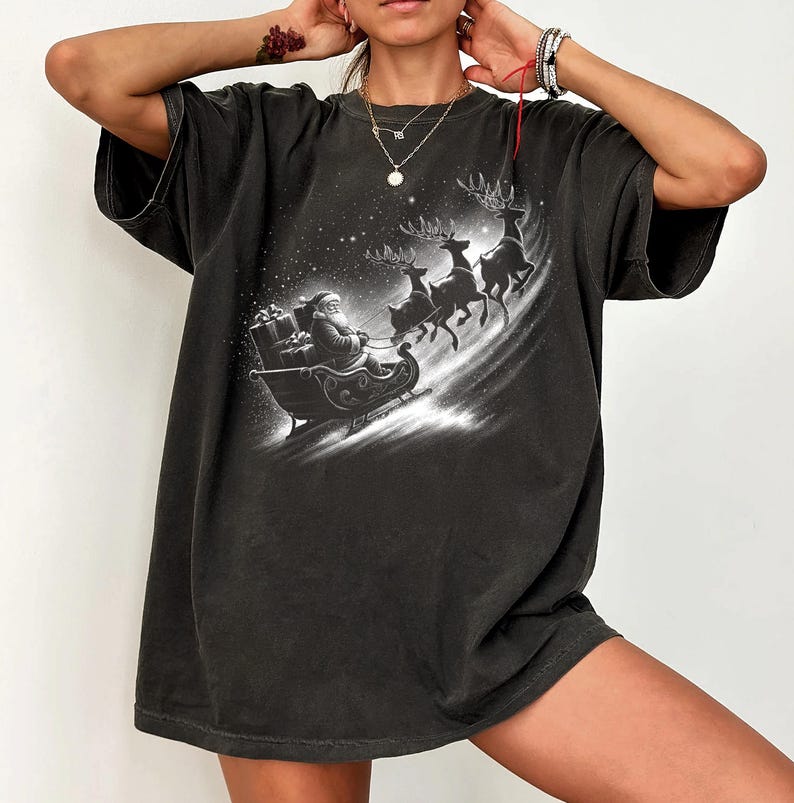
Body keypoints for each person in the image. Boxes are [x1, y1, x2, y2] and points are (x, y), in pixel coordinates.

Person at [45, 0, 794, 800]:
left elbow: (726, 165)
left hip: (497, 619)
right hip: (281, 612)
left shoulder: (558, 149)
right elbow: (81, 71)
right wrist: (283, 36)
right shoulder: (258, 139)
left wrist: (550, 56)